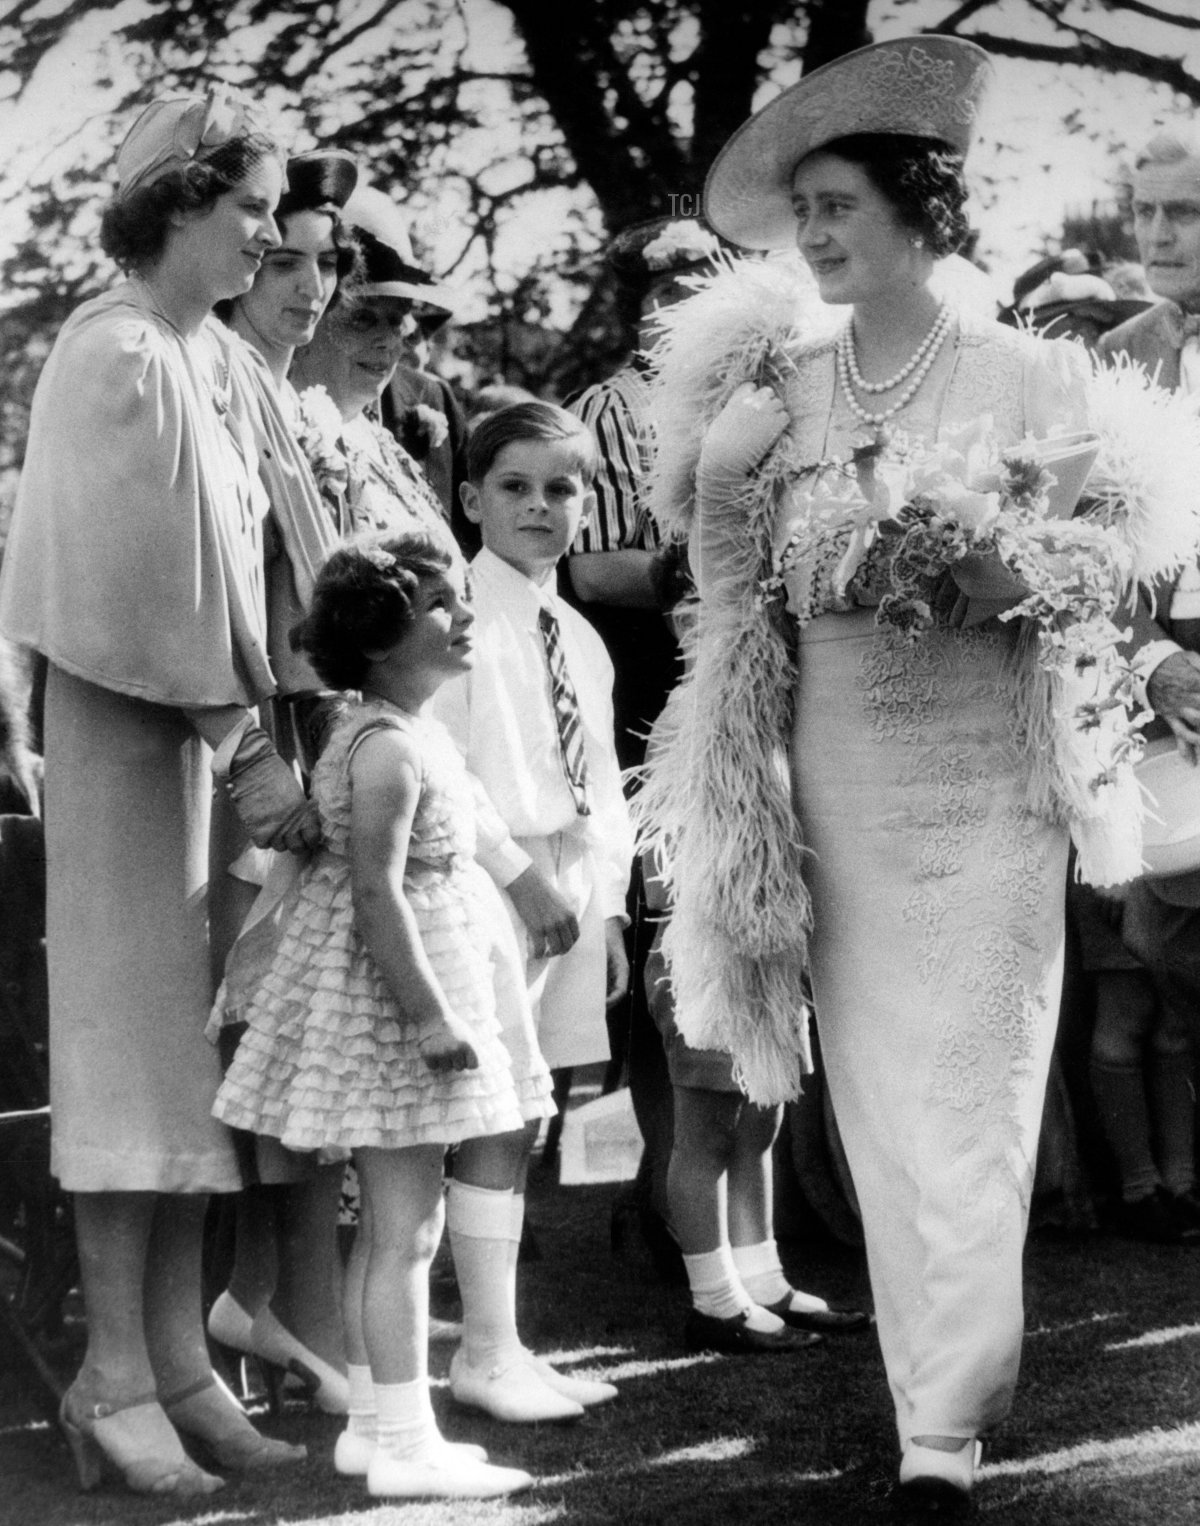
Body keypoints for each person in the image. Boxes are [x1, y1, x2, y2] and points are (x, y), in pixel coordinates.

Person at [637, 37, 1200, 1515]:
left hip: (995, 787)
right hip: (841, 790)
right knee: (886, 1101)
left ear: (918, 208)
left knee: (980, 1088)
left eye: (837, 206)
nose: (812, 236)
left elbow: (1097, 582)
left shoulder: (1030, 377)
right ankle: (931, 1419)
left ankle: (947, 1410)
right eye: (802, 210)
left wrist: (994, 568)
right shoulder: (783, 395)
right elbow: (724, 608)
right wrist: (717, 482)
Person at [0, 90, 317, 1493]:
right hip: (140, 745)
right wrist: (248, 755)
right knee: (134, 1060)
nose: (270, 232)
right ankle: (113, 1374)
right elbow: (153, 579)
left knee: (194, 1062)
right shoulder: (115, 350)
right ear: (179, 203)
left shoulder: (206, 357)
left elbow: (262, 561)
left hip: (208, 737)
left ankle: (177, 1361)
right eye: (251, 206)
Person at [213, 530, 552, 1499]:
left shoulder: (398, 733)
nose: (463, 617)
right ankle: (405, 1438)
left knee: (398, 1225)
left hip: (395, 1007)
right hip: (394, 1016)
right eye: (441, 606)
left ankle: (374, 1423)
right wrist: (433, 1018)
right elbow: (375, 894)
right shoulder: (385, 751)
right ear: (380, 636)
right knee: (404, 1226)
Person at [432, 401, 632, 1423]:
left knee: (526, 1111)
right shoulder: (455, 616)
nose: (540, 507)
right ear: (470, 499)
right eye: (515, 486)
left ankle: (501, 1342)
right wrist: (518, 875)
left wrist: (601, 913)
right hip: (483, 880)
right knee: (485, 1115)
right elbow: (438, 767)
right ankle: (479, 1349)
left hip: (563, 889)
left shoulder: (579, 636)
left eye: (561, 488)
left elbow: (600, 784)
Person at [204, 148, 363, 1415]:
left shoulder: (284, 396)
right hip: (251, 733)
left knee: (302, 1026)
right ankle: (280, 1307)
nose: (308, 282)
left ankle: (289, 1308)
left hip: (309, 714)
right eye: (285, 255)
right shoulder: (217, 382)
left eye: (326, 261)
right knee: (268, 1021)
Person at [566, 219, 718, 1277]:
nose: (682, 303)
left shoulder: (753, 397)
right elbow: (585, 570)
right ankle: (666, 1186)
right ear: (639, 304)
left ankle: (748, 1194)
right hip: (645, 692)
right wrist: (693, 561)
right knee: (663, 950)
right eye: (668, 287)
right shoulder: (604, 411)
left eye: (703, 282)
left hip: (743, 683)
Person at [641, 829, 871, 1355]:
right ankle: (714, 1302)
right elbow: (661, 875)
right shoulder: (691, 747)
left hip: (770, 944)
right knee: (707, 1134)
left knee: (760, 1122)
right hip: (708, 945)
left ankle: (762, 1277)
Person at [1094, 128, 1200, 1242]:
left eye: (1187, 212)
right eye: (1146, 211)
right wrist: (1154, 659)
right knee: (1169, 948)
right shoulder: (1116, 353)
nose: (1160, 234)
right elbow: (1078, 548)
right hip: (1169, 680)